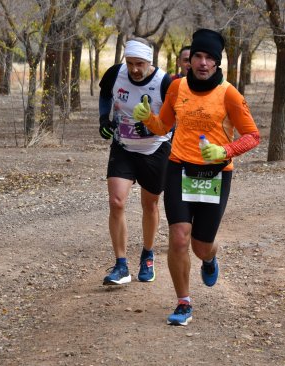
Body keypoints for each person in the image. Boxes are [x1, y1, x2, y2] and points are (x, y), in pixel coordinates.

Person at [133, 28, 260, 325]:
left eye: (209, 58)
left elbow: (253, 136)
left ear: (217, 63)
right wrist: (146, 119)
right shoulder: (177, 88)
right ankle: (183, 302)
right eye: (198, 57)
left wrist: (225, 151)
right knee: (178, 238)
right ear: (190, 61)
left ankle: (210, 256)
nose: (202, 63)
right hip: (179, 168)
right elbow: (163, 126)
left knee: (200, 245)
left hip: (215, 172)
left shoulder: (229, 93)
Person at [98, 37, 172, 285]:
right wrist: (103, 121)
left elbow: (174, 120)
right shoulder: (115, 74)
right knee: (116, 202)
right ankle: (121, 265)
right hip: (123, 148)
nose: (134, 69)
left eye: (139, 64)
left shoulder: (164, 82)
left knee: (150, 206)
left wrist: (151, 128)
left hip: (155, 149)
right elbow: (104, 95)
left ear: (149, 61)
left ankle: (148, 255)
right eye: (130, 63)